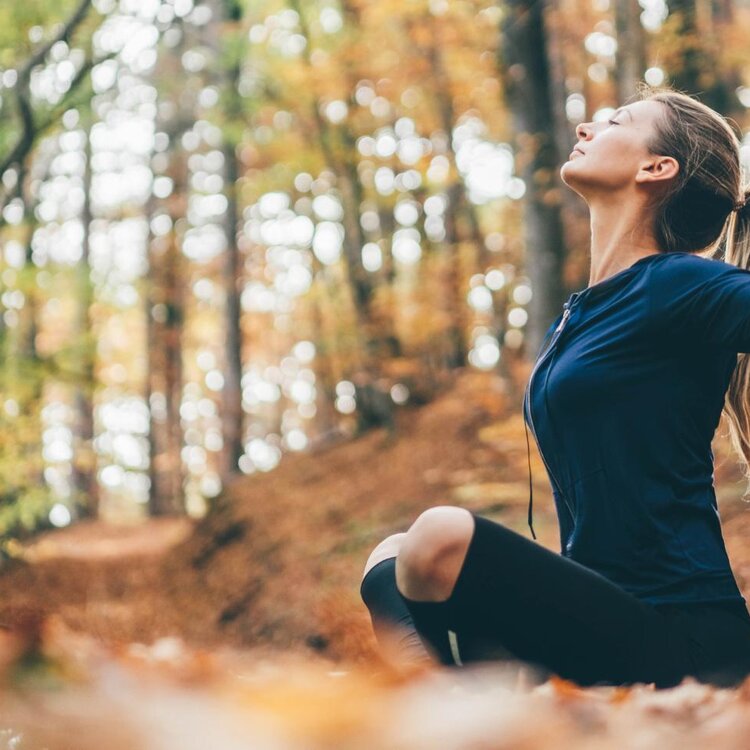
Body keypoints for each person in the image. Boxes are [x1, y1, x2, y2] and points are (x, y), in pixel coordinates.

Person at [359, 86, 750, 689]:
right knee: (390, 554)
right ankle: (449, 706)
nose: (587, 127)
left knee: (439, 535)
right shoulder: (582, 313)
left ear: (656, 167)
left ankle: (436, 710)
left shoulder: (680, 284)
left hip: (681, 632)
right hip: (597, 613)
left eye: (616, 121)